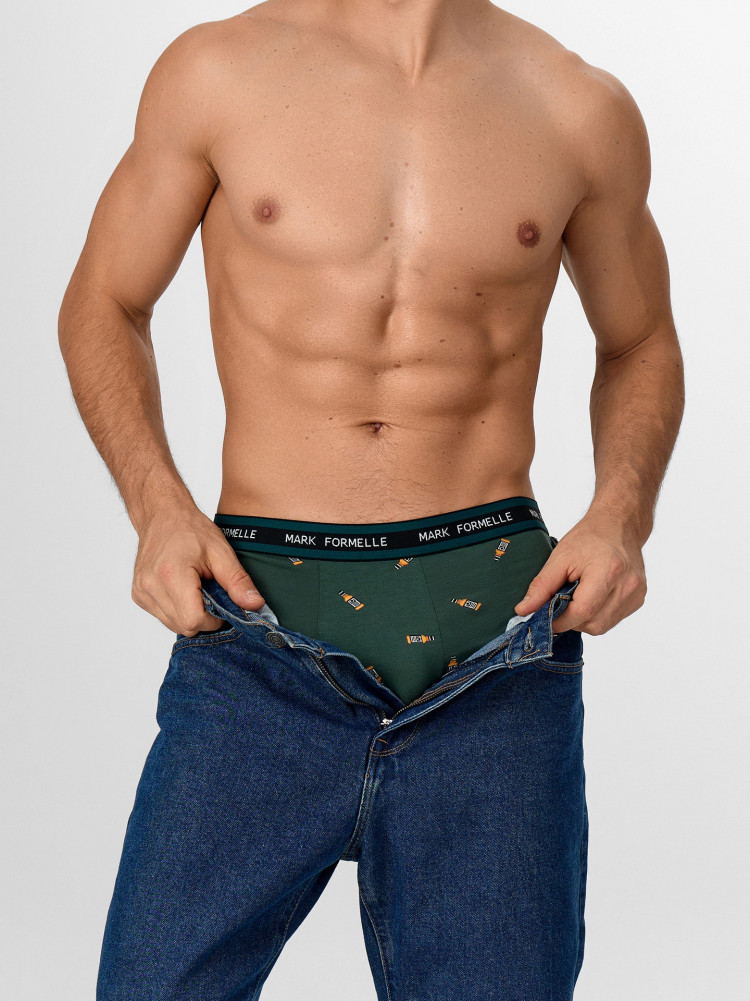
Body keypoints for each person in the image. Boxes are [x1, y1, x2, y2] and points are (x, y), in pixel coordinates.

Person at [58, 2, 684, 998]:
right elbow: (104, 299)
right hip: (258, 632)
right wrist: (157, 507)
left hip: (497, 647)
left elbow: (641, 338)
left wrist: (621, 513)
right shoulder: (217, 71)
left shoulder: (576, 104)